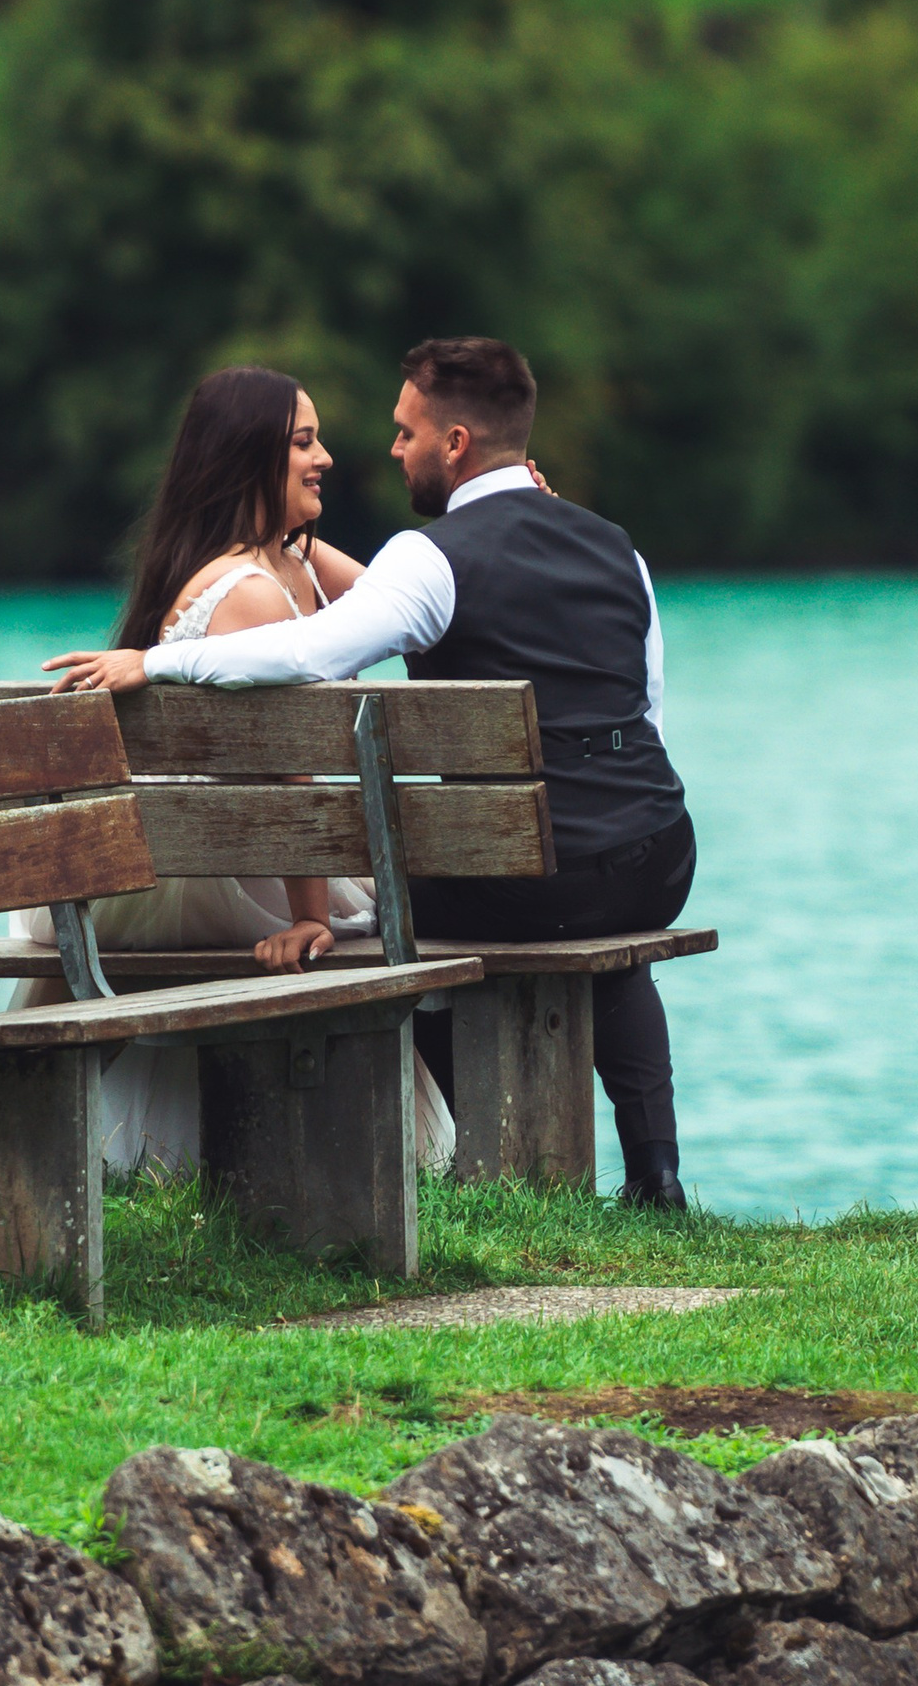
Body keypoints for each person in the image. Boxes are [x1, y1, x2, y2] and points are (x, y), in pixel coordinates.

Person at [47, 335, 695, 1210]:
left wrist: (153, 664)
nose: (388, 449)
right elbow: (648, 707)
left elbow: (310, 652)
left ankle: (493, 1164)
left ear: (455, 442)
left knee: (405, 914)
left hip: (517, 878)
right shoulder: (620, 548)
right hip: (656, 862)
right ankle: (655, 1172)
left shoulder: (430, 558)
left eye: (405, 431)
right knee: (601, 927)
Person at [23, 363, 454, 1174]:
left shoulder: (292, 560)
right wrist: (312, 916)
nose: (324, 456)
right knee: (409, 915)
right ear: (246, 458)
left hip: (230, 848)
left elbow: (404, 618)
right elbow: (284, 771)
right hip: (223, 864)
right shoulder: (250, 590)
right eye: (302, 441)